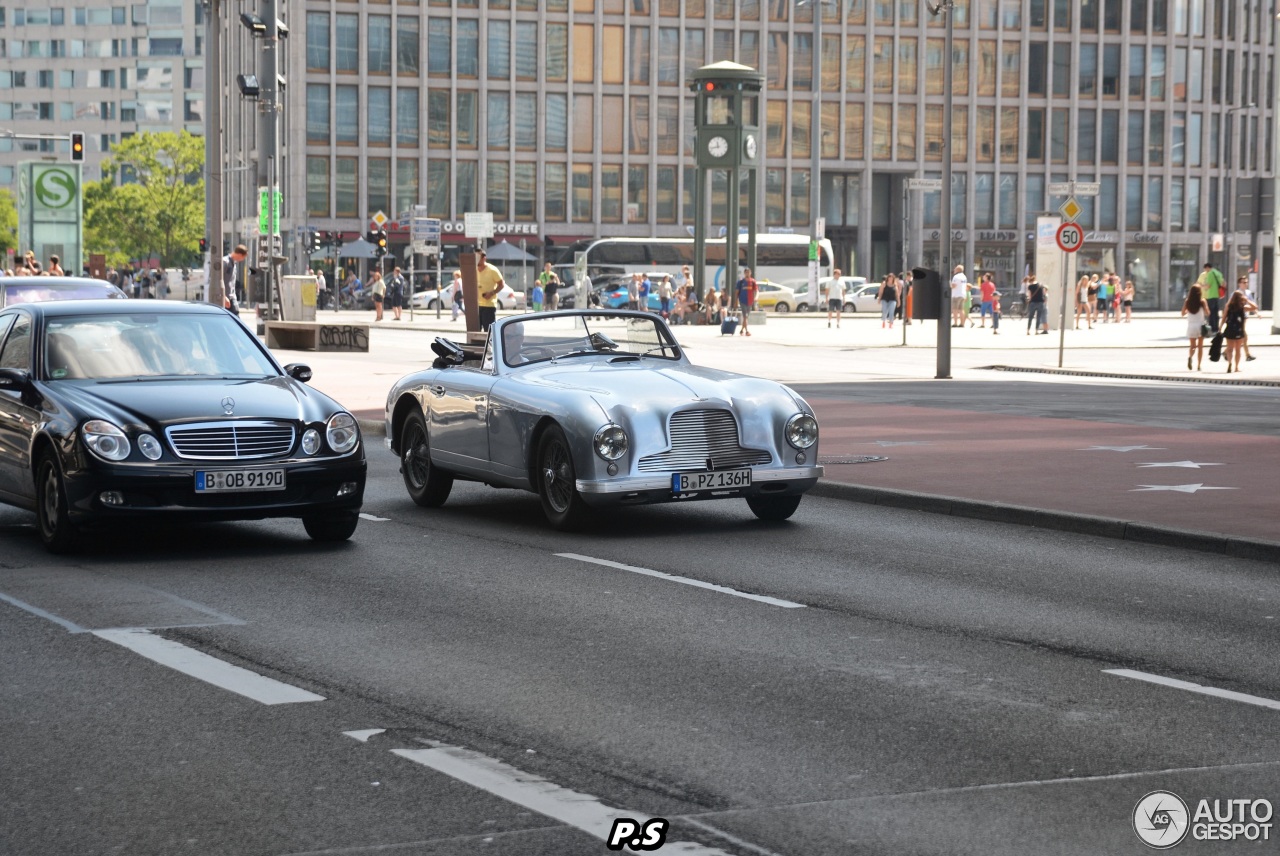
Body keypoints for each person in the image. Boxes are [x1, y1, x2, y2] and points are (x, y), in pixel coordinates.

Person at [475, 248, 505, 332]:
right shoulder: (473, 270)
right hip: (476, 306)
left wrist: (492, 293)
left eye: (478, 257)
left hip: (489, 306)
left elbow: (501, 284)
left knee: (488, 332)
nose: (476, 260)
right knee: (475, 331)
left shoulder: (492, 270)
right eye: (474, 257)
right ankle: (478, 345)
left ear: (484, 258)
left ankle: (490, 345)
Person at [1181, 284, 1208, 371]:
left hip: (1191, 325)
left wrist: (1188, 310)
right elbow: (1208, 313)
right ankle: (1199, 365)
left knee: (1192, 346)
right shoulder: (1202, 301)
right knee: (1200, 346)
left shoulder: (1187, 301)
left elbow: (1182, 313)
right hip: (1200, 325)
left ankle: (1190, 357)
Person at [1221, 289, 1248, 373]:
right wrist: (1247, 300)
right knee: (1238, 350)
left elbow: (1224, 317)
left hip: (1229, 329)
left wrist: (1220, 328)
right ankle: (1236, 367)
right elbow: (1254, 307)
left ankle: (1229, 363)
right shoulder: (1242, 307)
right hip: (1239, 330)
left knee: (1229, 348)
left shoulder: (1228, 306)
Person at [1197, 262, 1225, 330]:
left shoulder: (1210, 274)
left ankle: (1212, 327)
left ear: (1207, 268)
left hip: (1211, 295)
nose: (1205, 271)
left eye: (1205, 269)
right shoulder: (1218, 273)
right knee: (1216, 313)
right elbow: (1223, 283)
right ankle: (1216, 327)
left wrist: (1203, 286)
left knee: (1211, 313)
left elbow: (1208, 286)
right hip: (1217, 295)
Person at [222, 244, 248, 313]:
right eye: (243, 257)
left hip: (231, 297)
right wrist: (223, 296)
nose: (242, 259)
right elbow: (217, 280)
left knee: (235, 317)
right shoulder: (225, 262)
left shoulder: (233, 263)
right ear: (239, 254)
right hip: (225, 298)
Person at [735, 267, 757, 336]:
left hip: (750, 301)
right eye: (746, 272)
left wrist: (755, 298)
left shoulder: (753, 281)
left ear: (750, 273)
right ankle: (747, 331)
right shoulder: (741, 282)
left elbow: (756, 291)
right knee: (745, 316)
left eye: (748, 272)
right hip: (743, 301)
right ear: (744, 273)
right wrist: (736, 301)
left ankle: (741, 330)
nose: (747, 273)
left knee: (746, 317)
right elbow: (737, 292)